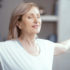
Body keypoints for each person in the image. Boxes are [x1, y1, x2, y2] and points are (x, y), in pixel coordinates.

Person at [0, 2, 70, 70]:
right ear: (19, 24)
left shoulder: (45, 46)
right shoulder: (5, 49)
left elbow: (64, 47)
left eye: (38, 16)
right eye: (30, 17)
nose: (36, 21)